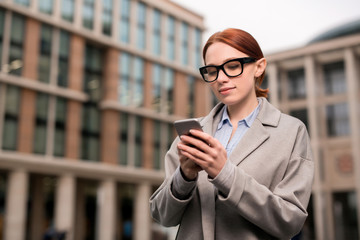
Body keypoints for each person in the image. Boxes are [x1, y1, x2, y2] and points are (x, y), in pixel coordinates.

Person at [149, 28, 314, 239]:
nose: (221, 78)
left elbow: (290, 221)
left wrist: (224, 174)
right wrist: (184, 177)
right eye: (212, 71)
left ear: (259, 67)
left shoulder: (291, 132)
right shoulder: (192, 133)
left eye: (233, 66)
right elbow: (162, 216)